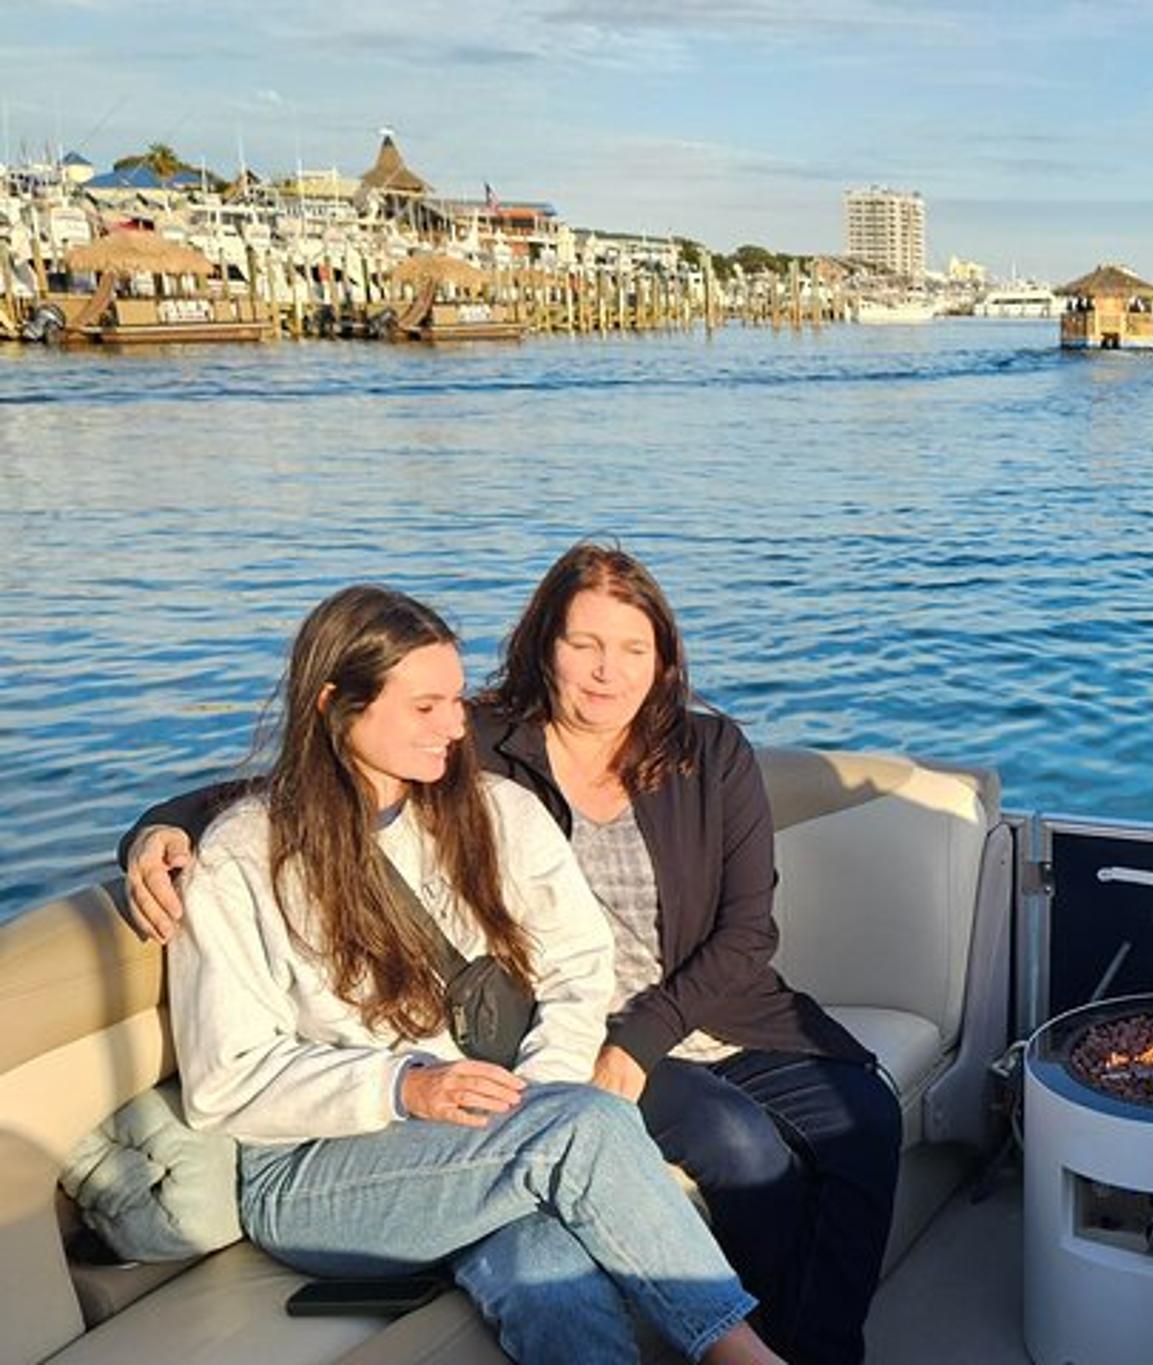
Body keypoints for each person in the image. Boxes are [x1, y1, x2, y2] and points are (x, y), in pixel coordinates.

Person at [124, 544, 900, 1365]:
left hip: (490, 1127)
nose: (457, 726)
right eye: (427, 707)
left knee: (550, 1271)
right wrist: (408, 1084)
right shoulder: (244, 858)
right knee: (604, 1130)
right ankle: (744, 1355)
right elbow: (222, 1083)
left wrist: (541, 1089)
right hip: (319, 1166)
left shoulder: (490, 807)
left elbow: (579, 958)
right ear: (335, 705)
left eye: (458, 702)